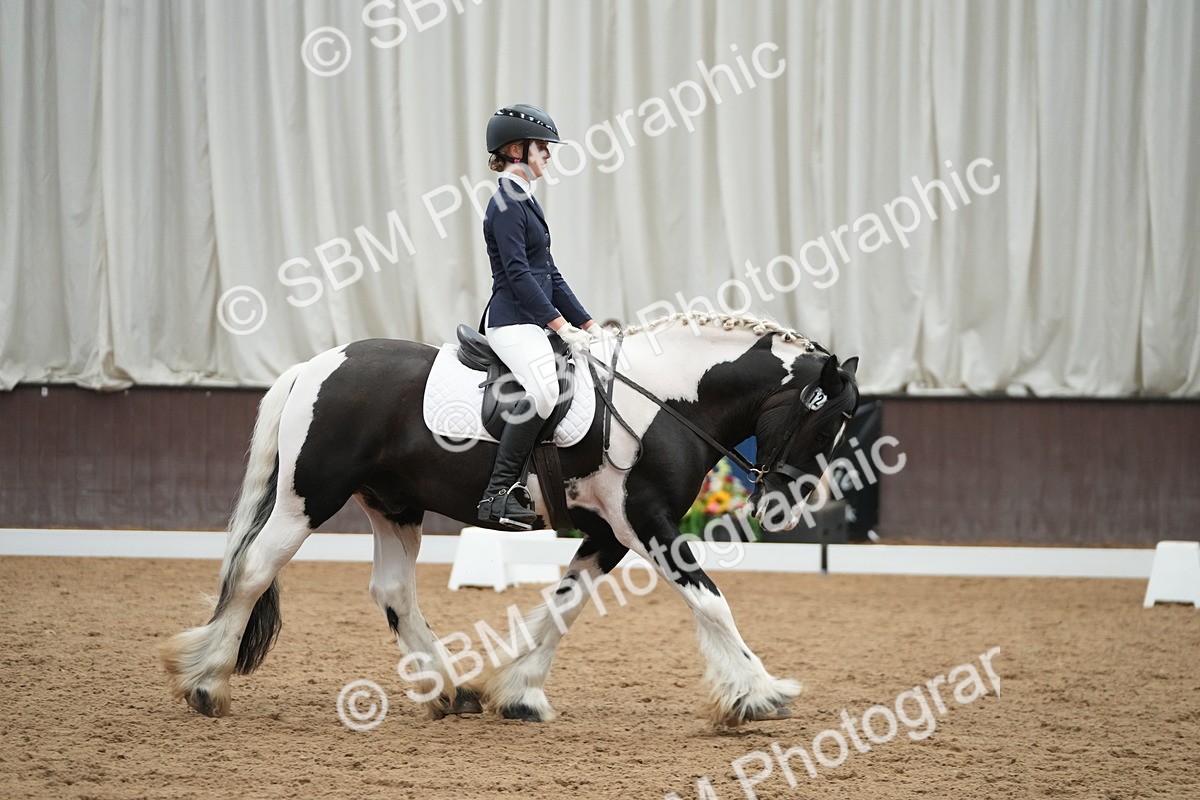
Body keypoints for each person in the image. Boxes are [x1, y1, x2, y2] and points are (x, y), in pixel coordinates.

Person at [477, 103, 599, 530]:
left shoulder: (524, 200)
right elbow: (517, 274)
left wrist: (586, 323)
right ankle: (497, 494)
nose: (548, 154)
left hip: (531, 319)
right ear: (516, 149)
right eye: (542, 147)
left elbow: (549, 273)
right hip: (511, 321)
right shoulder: (506, 203)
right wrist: (559, 325)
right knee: (544, 392)